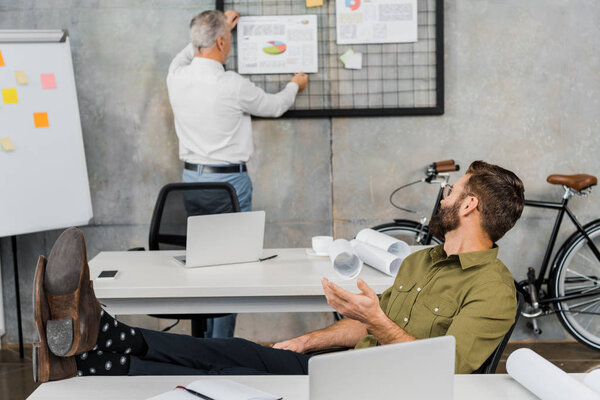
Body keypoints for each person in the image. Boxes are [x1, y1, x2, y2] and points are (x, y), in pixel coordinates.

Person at [34, 161, 525, 382]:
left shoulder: (493, 290)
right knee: (231, 350)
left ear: (470, 206)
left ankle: (93, 359)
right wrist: (308, 342)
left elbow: (448, 372)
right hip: (345, 368)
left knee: (229, 375)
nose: (444, 195)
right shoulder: (423, 259)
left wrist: (374, 319)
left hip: (379, 389)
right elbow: (369, 327)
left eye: (453, 190)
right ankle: (109, 339)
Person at [166, 9, 308, 338]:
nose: (229, 44)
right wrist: (294, 84)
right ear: (220, 41)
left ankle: (202, 345)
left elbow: (189, 50)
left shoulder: (176, 75)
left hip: (190, 183)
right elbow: (274, 106)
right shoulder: (230, 84)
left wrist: (214, 29)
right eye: (227, 39)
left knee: (202, 265)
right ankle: (221, 347)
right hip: (229, 184)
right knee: (232, 267)